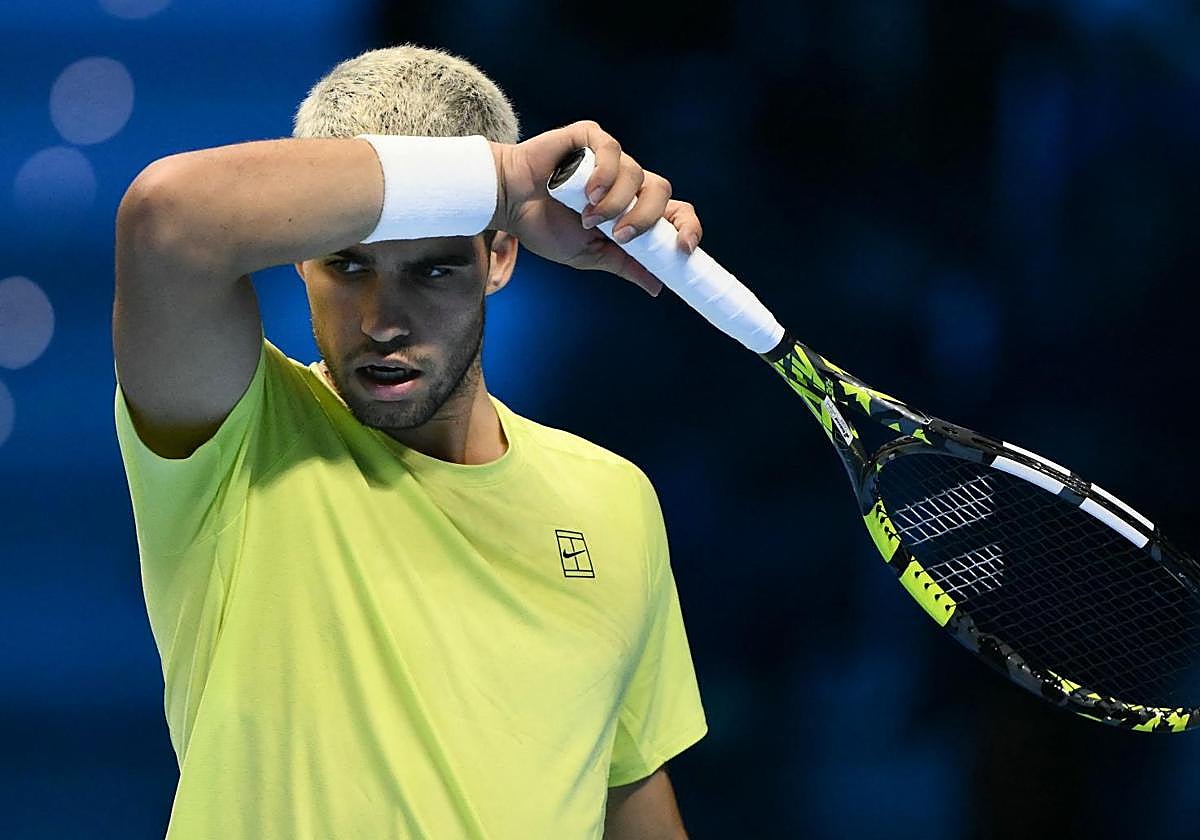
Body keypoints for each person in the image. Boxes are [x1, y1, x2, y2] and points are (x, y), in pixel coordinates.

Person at [112, 44, 707, 839]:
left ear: (499, 255)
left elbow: (628, 794)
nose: (382, 322)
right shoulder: (234, 438)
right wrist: (503, 182)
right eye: (349, 264)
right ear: (299, 255)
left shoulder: (613, 500)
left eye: (432, 271)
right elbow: (168, 218)